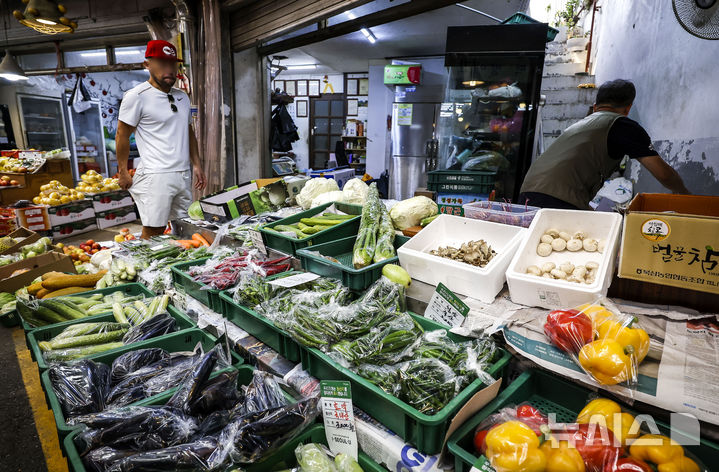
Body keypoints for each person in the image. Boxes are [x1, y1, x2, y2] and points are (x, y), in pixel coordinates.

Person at [519, 79, 689, 210]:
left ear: (595, 106)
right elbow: (663, 174)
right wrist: (683, 193)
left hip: (528, 191)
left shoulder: (583, 124)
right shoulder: (623, 125)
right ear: (627, 108)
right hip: (558, 198)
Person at [115, 40, 206, 239]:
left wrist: (197, 165)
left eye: (173, 64)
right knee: (154, 229)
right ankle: (144, 267)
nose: (170, 69)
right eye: (162, 63)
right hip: (156, 175)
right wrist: (122, 171)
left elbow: (188, 131)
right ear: (147, 65)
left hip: (182, 174)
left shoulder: (182, 97)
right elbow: (122, 134)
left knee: (184, 228)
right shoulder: (136, 96)